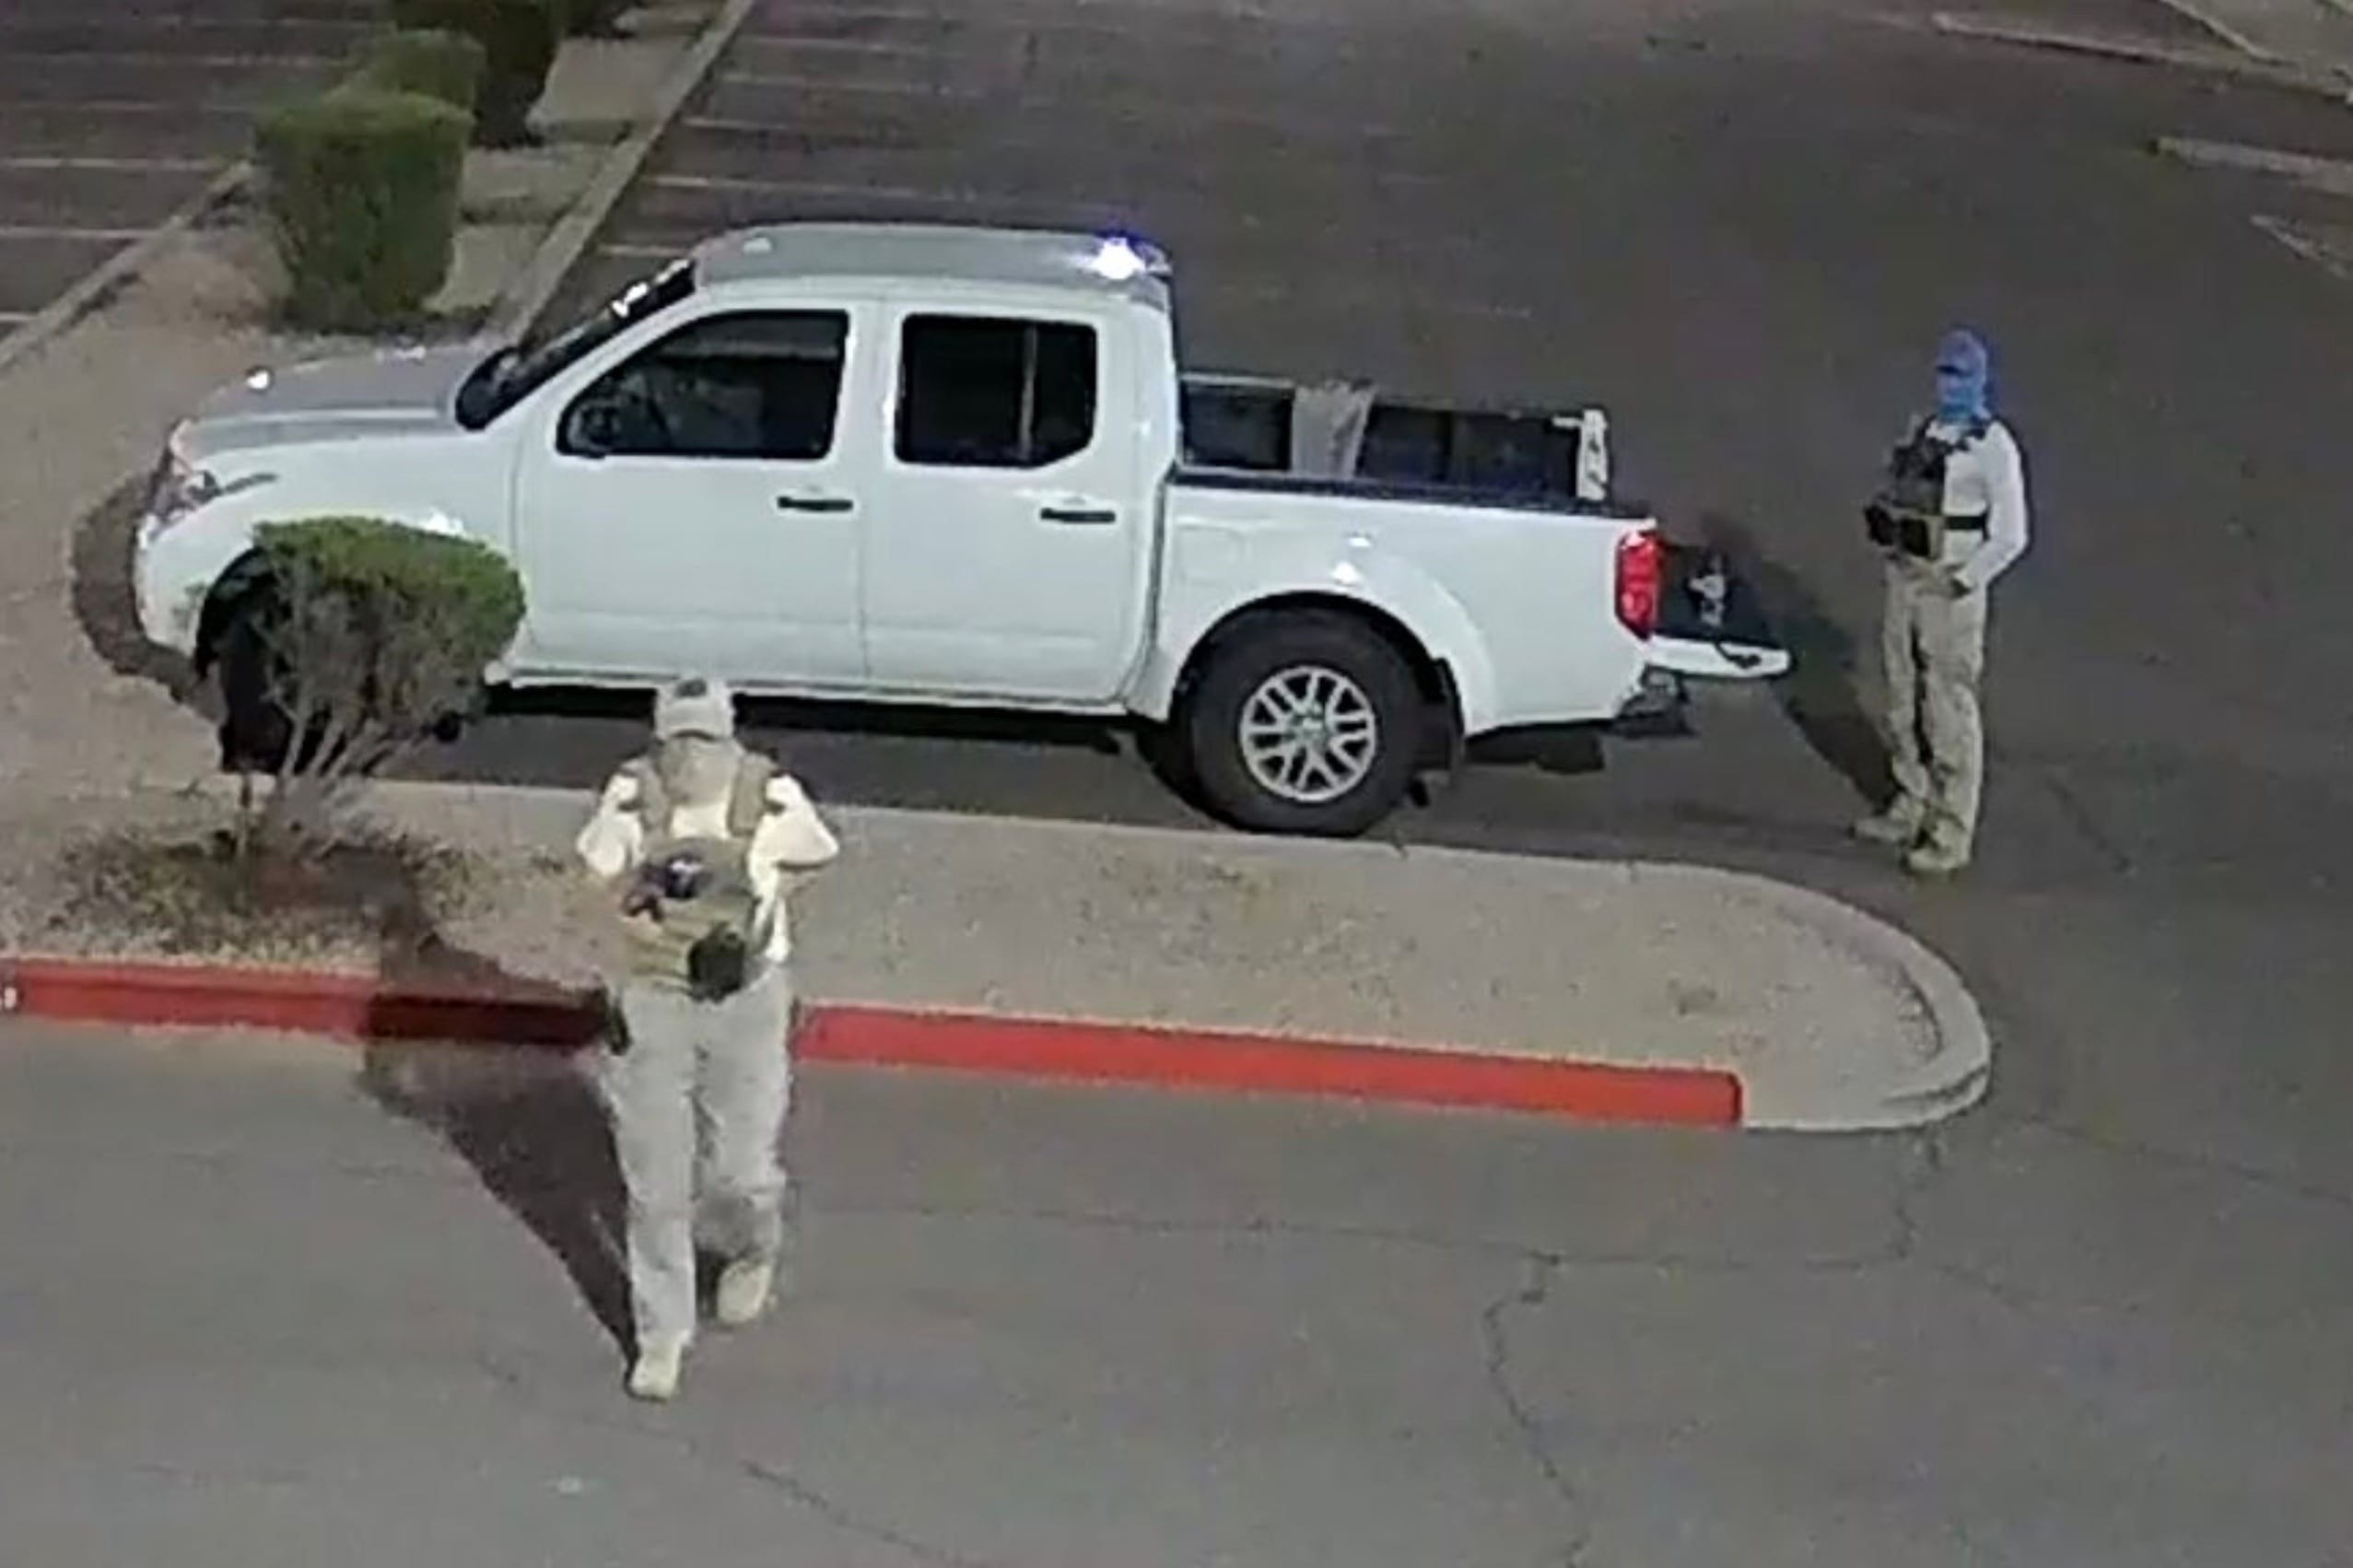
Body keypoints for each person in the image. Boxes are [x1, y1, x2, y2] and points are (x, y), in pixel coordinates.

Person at [574, 675, 839, 1400]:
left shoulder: (769, 795)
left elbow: (819, 852)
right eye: (681, 739)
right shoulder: (633, 795)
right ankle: (662, 1335)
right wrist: (630, 877)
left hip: (746, 998)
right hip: (655, 999)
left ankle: (752, 1251)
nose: (695, 755)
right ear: (661, 739)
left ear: (729, 737)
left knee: (740, 1172)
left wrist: (772, 887)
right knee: (656, 1185)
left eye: (708, 738)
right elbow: (594, 870)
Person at [1853, 328, 2031, 877]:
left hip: (1951, 582)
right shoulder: (1927, 430)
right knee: (1902, 693)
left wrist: (1966, 578)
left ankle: (1952, 828)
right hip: (1907, 570)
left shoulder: (1992, 445)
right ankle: (1911, 799)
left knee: (1948, 704)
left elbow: (2012, 533)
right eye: (1943, 372)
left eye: (1959, 374)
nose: (1948, 384)